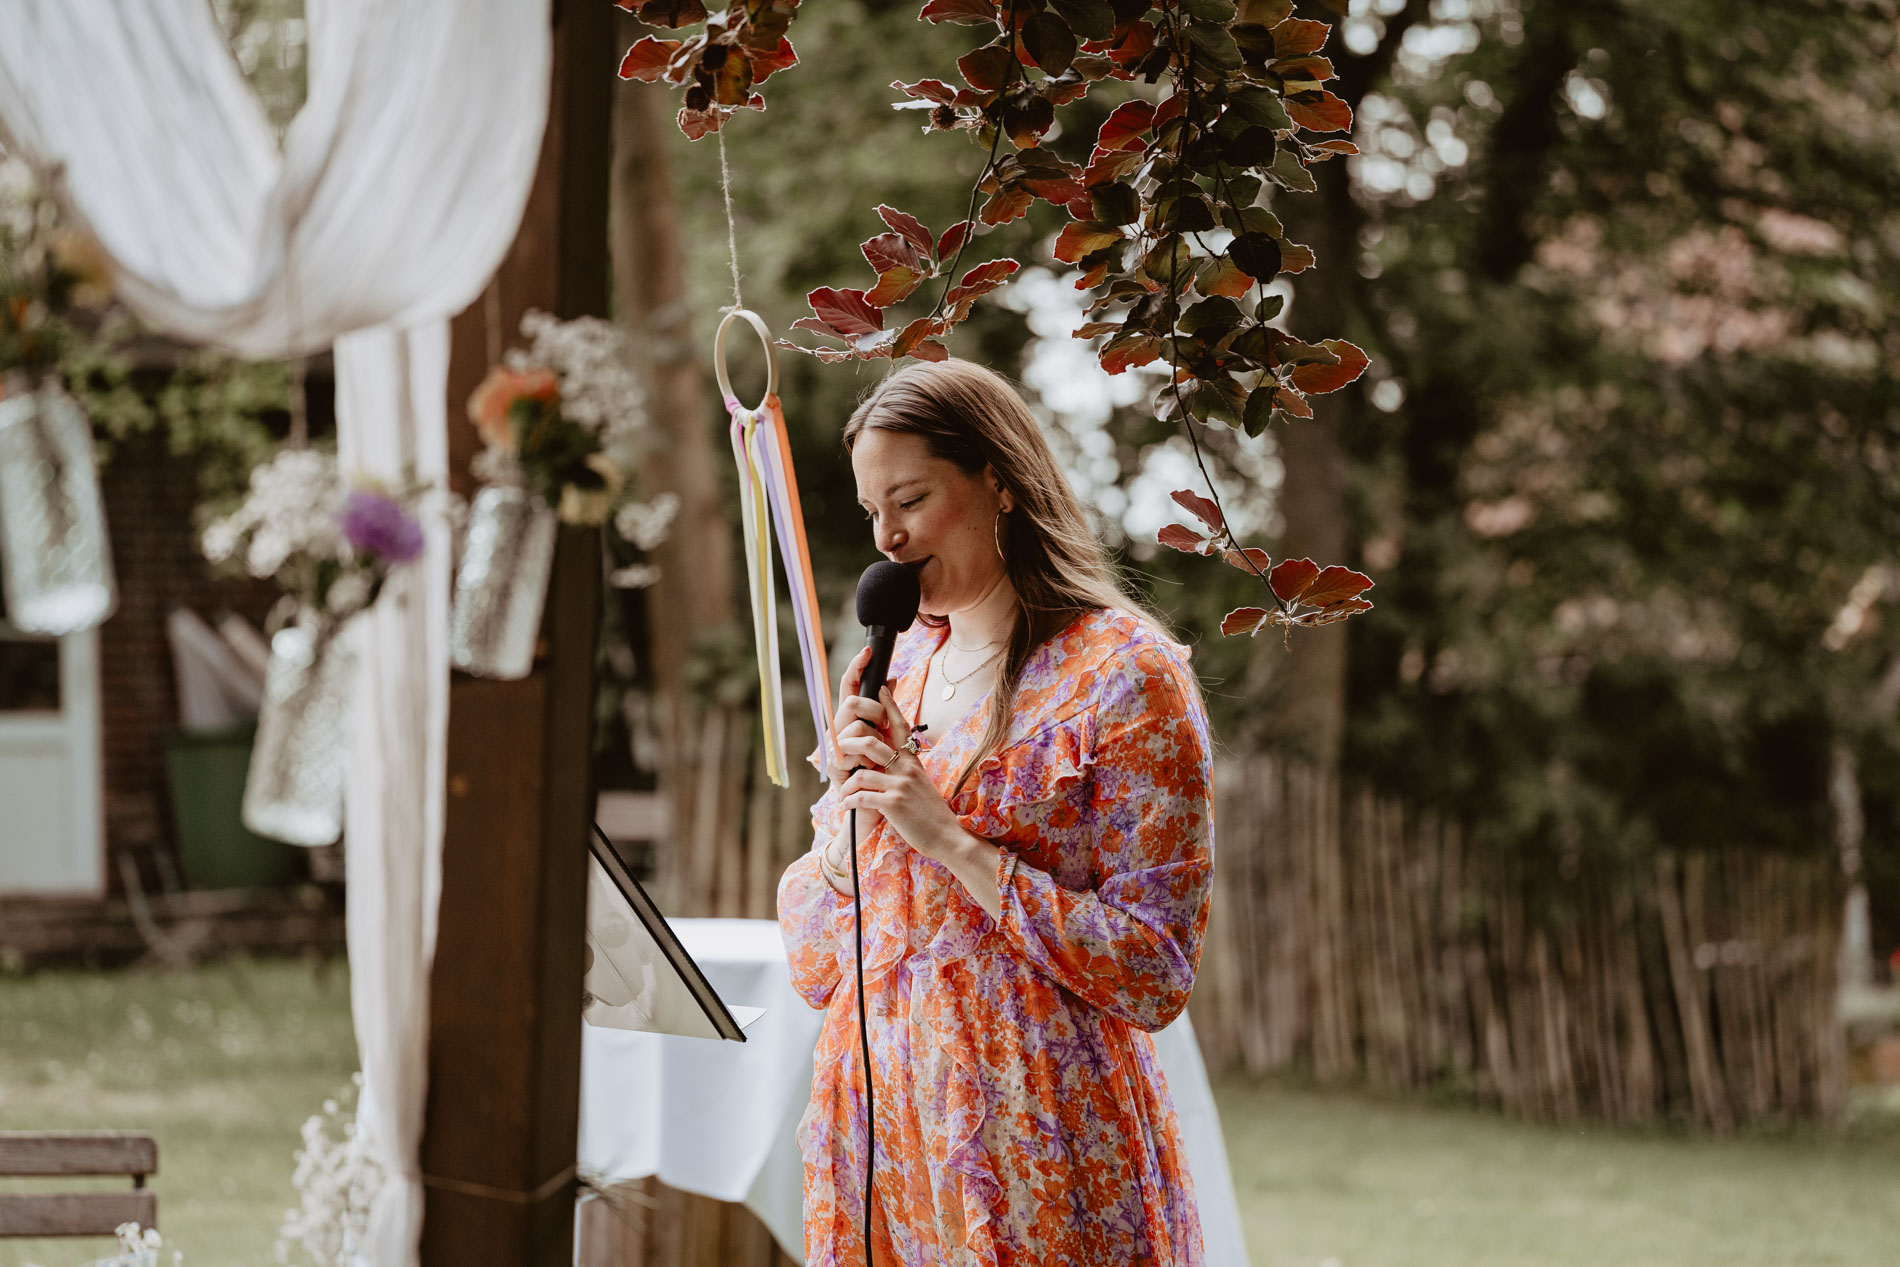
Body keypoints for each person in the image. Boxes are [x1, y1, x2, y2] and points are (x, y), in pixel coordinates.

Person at [776, 358, 1215, 1266]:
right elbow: (818, 960)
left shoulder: (1126, 674)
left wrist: (947, 839)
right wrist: (857, 828)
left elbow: (1154, 967)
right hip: (884, 1135)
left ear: (1000, 482)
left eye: (910, 499)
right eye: (871, 512)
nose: (887, 537)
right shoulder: (887, 670)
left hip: (1042, 1133)